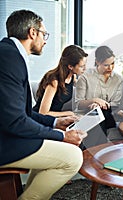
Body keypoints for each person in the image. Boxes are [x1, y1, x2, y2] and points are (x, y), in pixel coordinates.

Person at [0, 10, 87, 200]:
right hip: (4, 142)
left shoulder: (9, 53)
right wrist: (63, 136)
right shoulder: (10, 59)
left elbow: (25, 113)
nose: (45, 40)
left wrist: (56, 124)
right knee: (73, 157)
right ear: (32, 33)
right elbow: (16, 121)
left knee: (56, 145)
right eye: (44, 34)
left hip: (8, 133)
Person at [75, 45, 123, 134]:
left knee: (102, 115)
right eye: (106, 65)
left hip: (107, 114)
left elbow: (116, 103)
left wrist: (100, 106)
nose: (110, 68)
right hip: (86, 115)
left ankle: (99, 146)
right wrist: (94, 101)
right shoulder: (85, 77)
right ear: (97, 62)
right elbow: (79, 104)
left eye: (112, 63)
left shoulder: (118, 79)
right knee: (96, 118)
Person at [33, 45, 88, 117]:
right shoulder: (54, 81)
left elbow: (83, 88)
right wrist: (68, 113)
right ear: (70, 66)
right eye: (81, 66)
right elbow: (42, 113)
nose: (85, 68)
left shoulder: (72, 77)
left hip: (55, 118)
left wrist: (94, 101)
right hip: (39, 120)